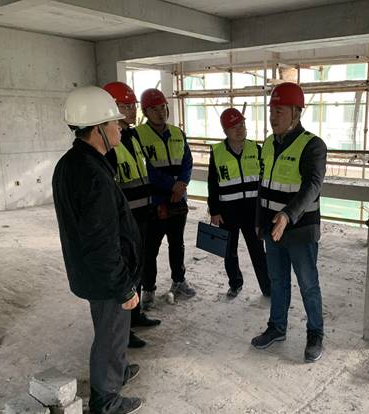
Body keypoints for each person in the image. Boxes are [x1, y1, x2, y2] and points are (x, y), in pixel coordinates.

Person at [52, 86, 143, 414]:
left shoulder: (73, 163)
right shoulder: (92, 174)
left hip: (91, 271)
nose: (120, 127)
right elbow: (100, 241)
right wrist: (123, 286)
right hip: (105, 276)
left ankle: (117, 371)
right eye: (114, 122)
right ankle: (106, 399)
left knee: (111, 330)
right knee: (110, 334)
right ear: (97, 129)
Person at [251, 82, 327, 363]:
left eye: (279, 111)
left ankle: (315, 334)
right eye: (271, 110)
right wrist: (259, 220)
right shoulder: (269, 144)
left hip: (300, 230)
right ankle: (277, 327)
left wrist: (287, 215)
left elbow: (312, 186)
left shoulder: (313, 145)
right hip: (273, 230)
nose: (273, 116)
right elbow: (263, 185)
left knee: (308, 284)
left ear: (296, 112)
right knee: (278, 281)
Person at [103, 82, 162, 348]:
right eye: (125, 106)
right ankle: (123, 330)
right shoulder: (108, 144)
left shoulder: (132, 136)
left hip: (142, 214)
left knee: (138, 267)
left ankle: (135, 315)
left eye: (132, 105)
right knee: (125, 272)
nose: (131, 110)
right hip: (125, 220)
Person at [134, 88, 196, 307]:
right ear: (145, 112)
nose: (161, 113)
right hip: (154, 202)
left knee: (177, 244)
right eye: (155, 109)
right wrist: (172, 185)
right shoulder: (137, 136)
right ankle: (148, 289)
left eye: (163, 108)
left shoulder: (177, 133)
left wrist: (182, 183)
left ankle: (179, 280)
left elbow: (188, 161)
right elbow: (144, 168)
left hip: (178, 200)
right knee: (150, 248)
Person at [207, 108, 270, 298]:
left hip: (252, 212)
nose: (240, 129)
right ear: (225, 130)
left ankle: (267, 287)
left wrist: (264, 209)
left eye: (242, 124)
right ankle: (235, 283)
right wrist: (214, 211)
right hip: (228, 212)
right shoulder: (217, 152)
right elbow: (212, 183)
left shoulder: (256, 149)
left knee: (258, 251)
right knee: (229, 251)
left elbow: (264, 180)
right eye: (234, 126)